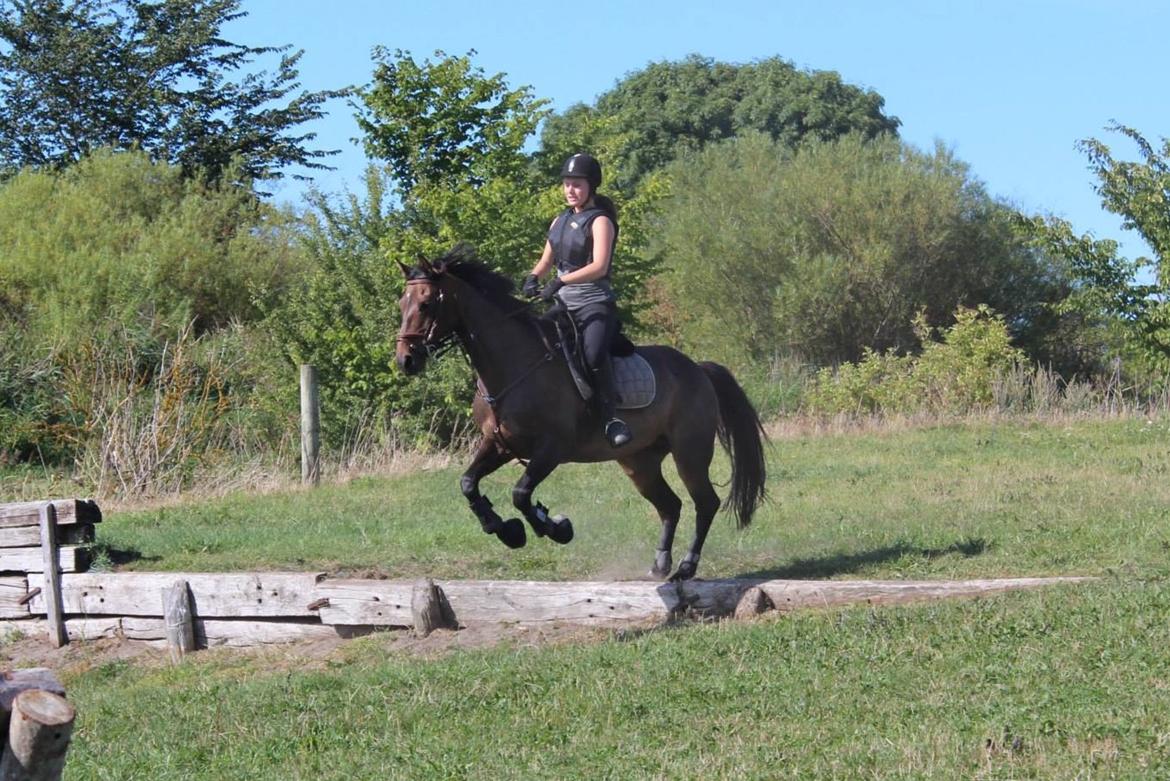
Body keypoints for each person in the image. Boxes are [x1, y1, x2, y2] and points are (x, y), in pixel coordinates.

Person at [523, 153, 632, 448]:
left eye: (577, 185)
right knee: (536, 348)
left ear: (591, 186)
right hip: (564, 305)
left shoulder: (600, 222)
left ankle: (611, 417)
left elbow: (599, 266)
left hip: (594, 303)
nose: (570, 190)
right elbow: (546, 260)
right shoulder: (559, 220)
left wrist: (560, 281)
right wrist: (534, 277)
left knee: (593, 354)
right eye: (567, 184)